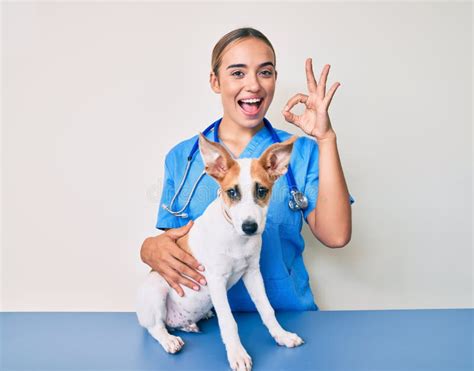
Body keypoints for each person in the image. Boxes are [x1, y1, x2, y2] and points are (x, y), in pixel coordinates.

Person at [140, 27, 355, 312]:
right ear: (215, 81)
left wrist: (326, 139)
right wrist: (149, 249)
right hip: (207, 321)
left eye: (265, 72)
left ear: (275, 79)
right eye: (238, 73)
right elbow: (175, 249)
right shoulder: (183, 157)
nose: (253, 85)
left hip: (287, 317)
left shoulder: (300, 153)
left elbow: (336, 236)